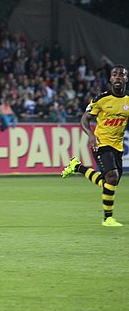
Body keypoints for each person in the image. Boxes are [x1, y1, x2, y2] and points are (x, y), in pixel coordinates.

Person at [61, 65, 129, 227]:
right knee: (111, 178)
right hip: (101, 143)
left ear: (126, 79)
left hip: (118, 146)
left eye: (122, 74)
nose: (118, 77)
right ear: (111, 79)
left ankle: (77, 167)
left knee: (110, 182)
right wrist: (91, 135)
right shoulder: (101, 99)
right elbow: (84, 119)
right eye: (115, 74)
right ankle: (107, 219)